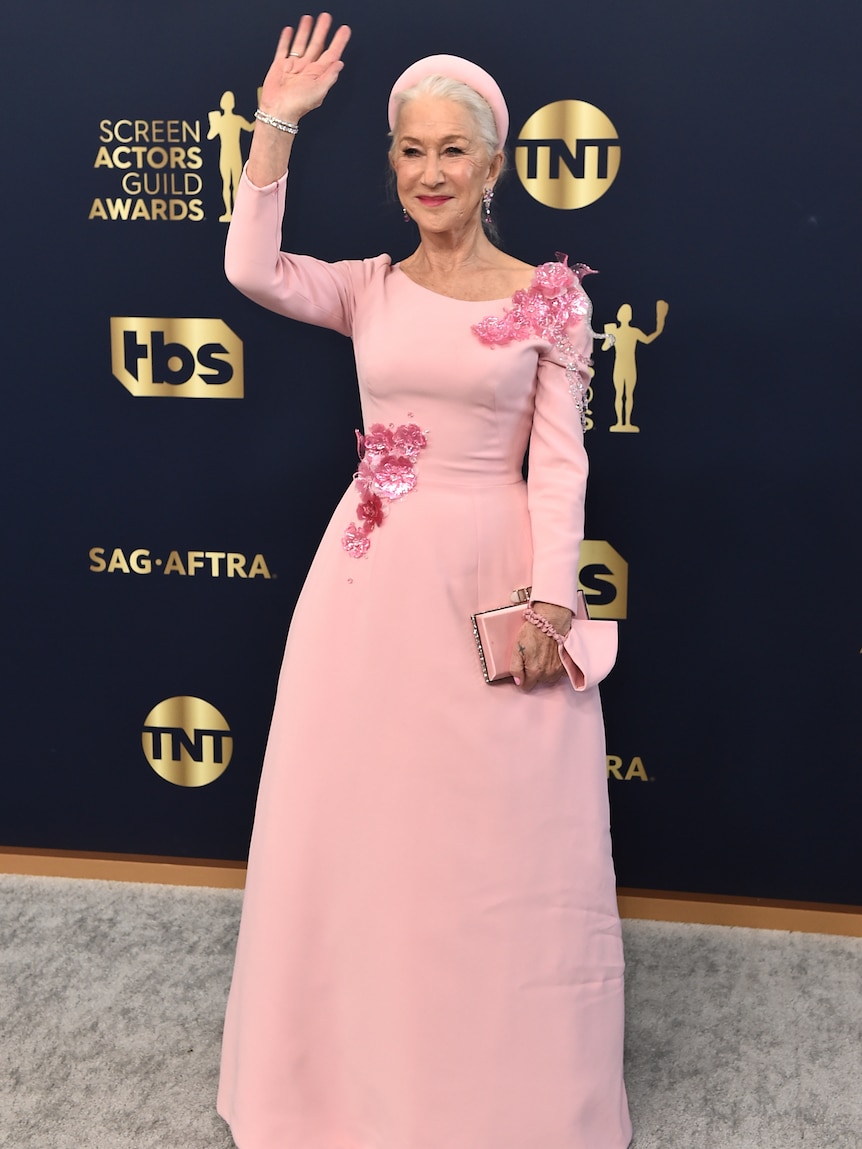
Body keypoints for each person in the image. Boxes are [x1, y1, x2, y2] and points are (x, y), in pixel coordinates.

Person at [217, 14, 632, 1149]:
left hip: (492, 586)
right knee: (361, 833)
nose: (431, 171)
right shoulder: (365, 288)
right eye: (410, 148)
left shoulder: (550, 297)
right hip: (365, 585)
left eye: (454, 150)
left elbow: (560, 468)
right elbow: (249, 267)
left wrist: (552, 599)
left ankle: (500, 1095)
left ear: (494, 165)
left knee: (494, 844)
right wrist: (276, 127)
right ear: (392, 161)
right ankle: (344, 1083)